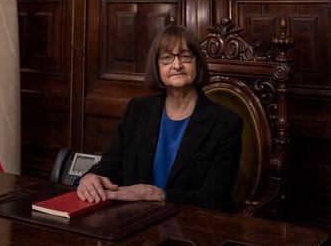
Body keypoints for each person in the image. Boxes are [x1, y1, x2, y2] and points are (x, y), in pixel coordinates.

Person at [77, 24, 242, 211]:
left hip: (192, 225)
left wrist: (155, 195)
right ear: (156, 66)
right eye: (166, 57)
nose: (177, 65)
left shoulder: (226, 123)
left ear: (197, 62)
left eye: (186, 56)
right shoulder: (137, 110)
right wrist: (90, 177)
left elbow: (214, 200)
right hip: (134, 218)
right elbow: (109, 166)